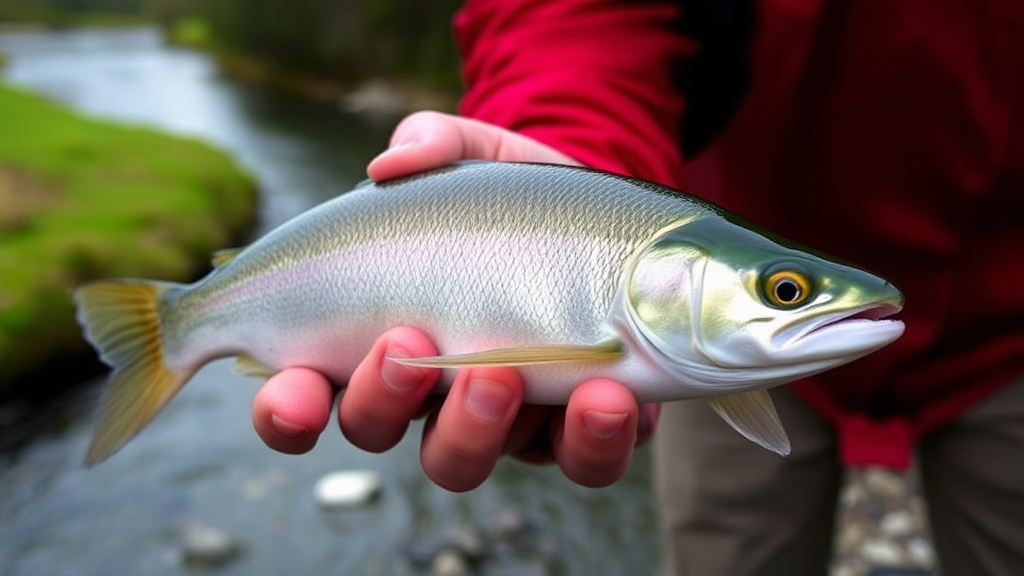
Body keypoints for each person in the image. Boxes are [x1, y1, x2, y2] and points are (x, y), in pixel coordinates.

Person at [250, 1, 1024, 575]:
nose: (788, 292)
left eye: (784, 289)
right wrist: (571, 161)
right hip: (731, 362)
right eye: (786, 288)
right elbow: (578, 17)